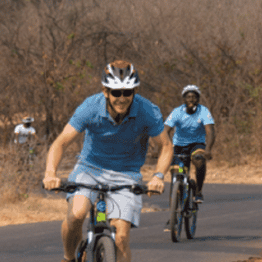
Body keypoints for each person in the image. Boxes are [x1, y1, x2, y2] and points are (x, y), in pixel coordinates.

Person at [42, 60, 174, 262]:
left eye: (127, 92)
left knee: (120, 237)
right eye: (116, 92)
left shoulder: (147, 111)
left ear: (135, 91)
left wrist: (158, 176)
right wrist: (50, 173)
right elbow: (61, 142)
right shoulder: (90, 107)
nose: (122, 98)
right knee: (76, 215)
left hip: (126, 174)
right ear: (105, 91)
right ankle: (69, 257)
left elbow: (165, 145)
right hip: (89, 168)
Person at [163, 84, 215, 203]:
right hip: (179, 146)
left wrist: (208, 149)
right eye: (188, 97)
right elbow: (165, 130)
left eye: (194, 97)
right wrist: (159, 147)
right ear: (183, 99)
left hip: (197, 144)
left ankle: (198, 192)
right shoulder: (177, 112)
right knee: (177, 172)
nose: (191, 99)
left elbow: (210, 132)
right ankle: (174, 211)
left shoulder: (203, 111)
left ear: (198, 99)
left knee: (199, 160)